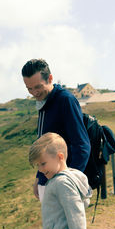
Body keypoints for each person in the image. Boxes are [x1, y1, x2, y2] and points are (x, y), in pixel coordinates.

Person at [22, 58, 90, 201]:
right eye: (29, 88)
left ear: (50, 78)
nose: (34, 93)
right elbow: (43, 146)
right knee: (51, 223)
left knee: (69, 222)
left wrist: (71, 181)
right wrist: (39, 178)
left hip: (63, 182)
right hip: (47, 179)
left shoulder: (65, 100)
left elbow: (82, 145)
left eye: (38, 87)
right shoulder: (43, 101)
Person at [29, 132, 92, 229]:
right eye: (37, 165)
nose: (40, 169)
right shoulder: (57, 179)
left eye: (43, 163)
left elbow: (77, 219)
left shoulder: (63, 184)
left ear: (60, 157)